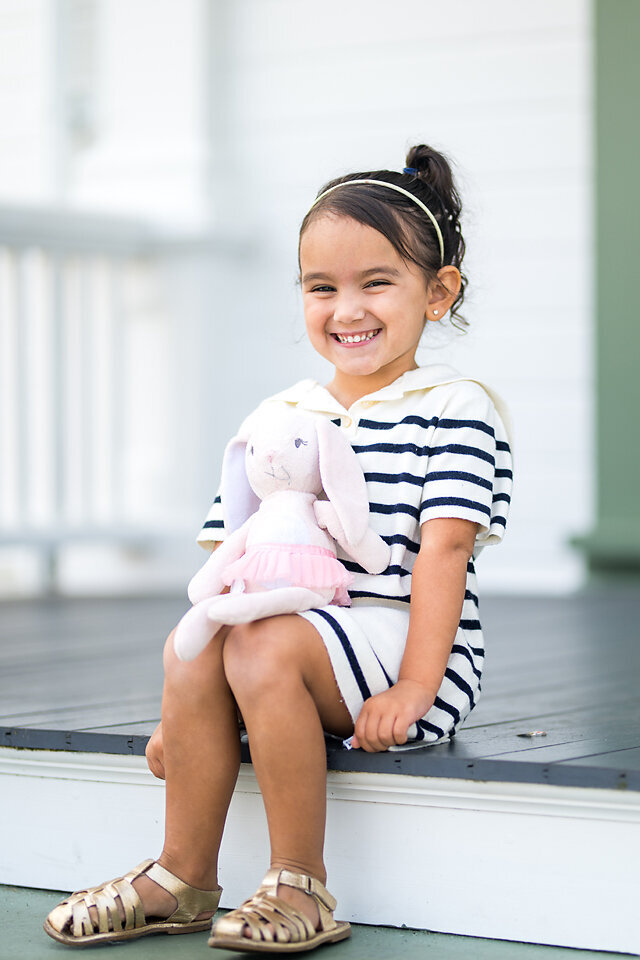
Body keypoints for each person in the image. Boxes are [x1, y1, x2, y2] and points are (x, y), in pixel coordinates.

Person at [44, 143, 513, 952]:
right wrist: (194, 717)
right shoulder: (282, 413)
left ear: (438, 293)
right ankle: (181, 877)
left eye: (377, 282)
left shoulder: (457, 407)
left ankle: (302, 885)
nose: (347, 309)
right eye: (321, 287)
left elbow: (443, 555)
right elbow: (230, 560)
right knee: (195, 644)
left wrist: (415, 688)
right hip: (298, 637)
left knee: (259, 643)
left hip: (406, 648)